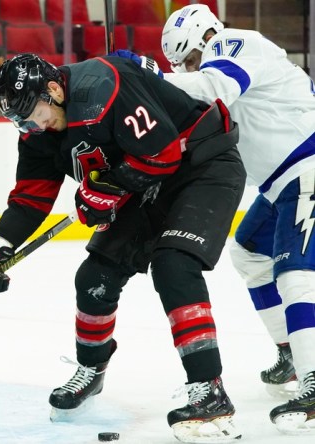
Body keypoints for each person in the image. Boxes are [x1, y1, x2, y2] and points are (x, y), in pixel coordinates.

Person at [0, 53, 245, 443]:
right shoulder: (38, 131)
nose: (33, 124)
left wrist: (105, 189)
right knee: (94, 277)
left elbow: (162, 152)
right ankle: (91, 371)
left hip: (202, 164)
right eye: (22, 120)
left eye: (34, 112)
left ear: (53, 89)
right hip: (144, 181)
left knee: (173, 266)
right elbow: (30, 198)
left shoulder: (103, 86)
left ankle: (209, 389)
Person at [116, 3, 315, 434]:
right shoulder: (227, 62)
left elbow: (212, 86)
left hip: (309, 168)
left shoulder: (235, 43)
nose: (188, 69)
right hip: (284, 184)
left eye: (188, 59)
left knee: (295, 273)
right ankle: (290, 352)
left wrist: (148, 75)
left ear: (205, 38)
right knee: (248, 254)